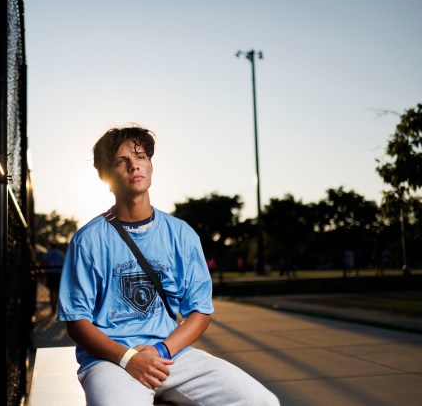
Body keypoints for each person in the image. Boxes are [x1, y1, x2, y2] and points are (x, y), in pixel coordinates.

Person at [57, 125, 279, 406]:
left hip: (170, 353)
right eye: (121, 161)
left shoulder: (181, 234)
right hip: (110, 360)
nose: (133, 166)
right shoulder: (88, 240)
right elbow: (76, 322)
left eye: (140, 156)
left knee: (261, 401)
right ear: (106, 176)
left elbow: (200, 311)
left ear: (151, 165)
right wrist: (129, 359)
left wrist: (161, 350)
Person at [43, 242, 65, 313]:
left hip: (51, 273)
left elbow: (43, 259)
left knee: (51, 290)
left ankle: (52, 304)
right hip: (58, 273)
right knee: (57, 289)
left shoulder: (48, 253)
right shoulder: (61, 254)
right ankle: (55, 304)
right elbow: (63, 262)